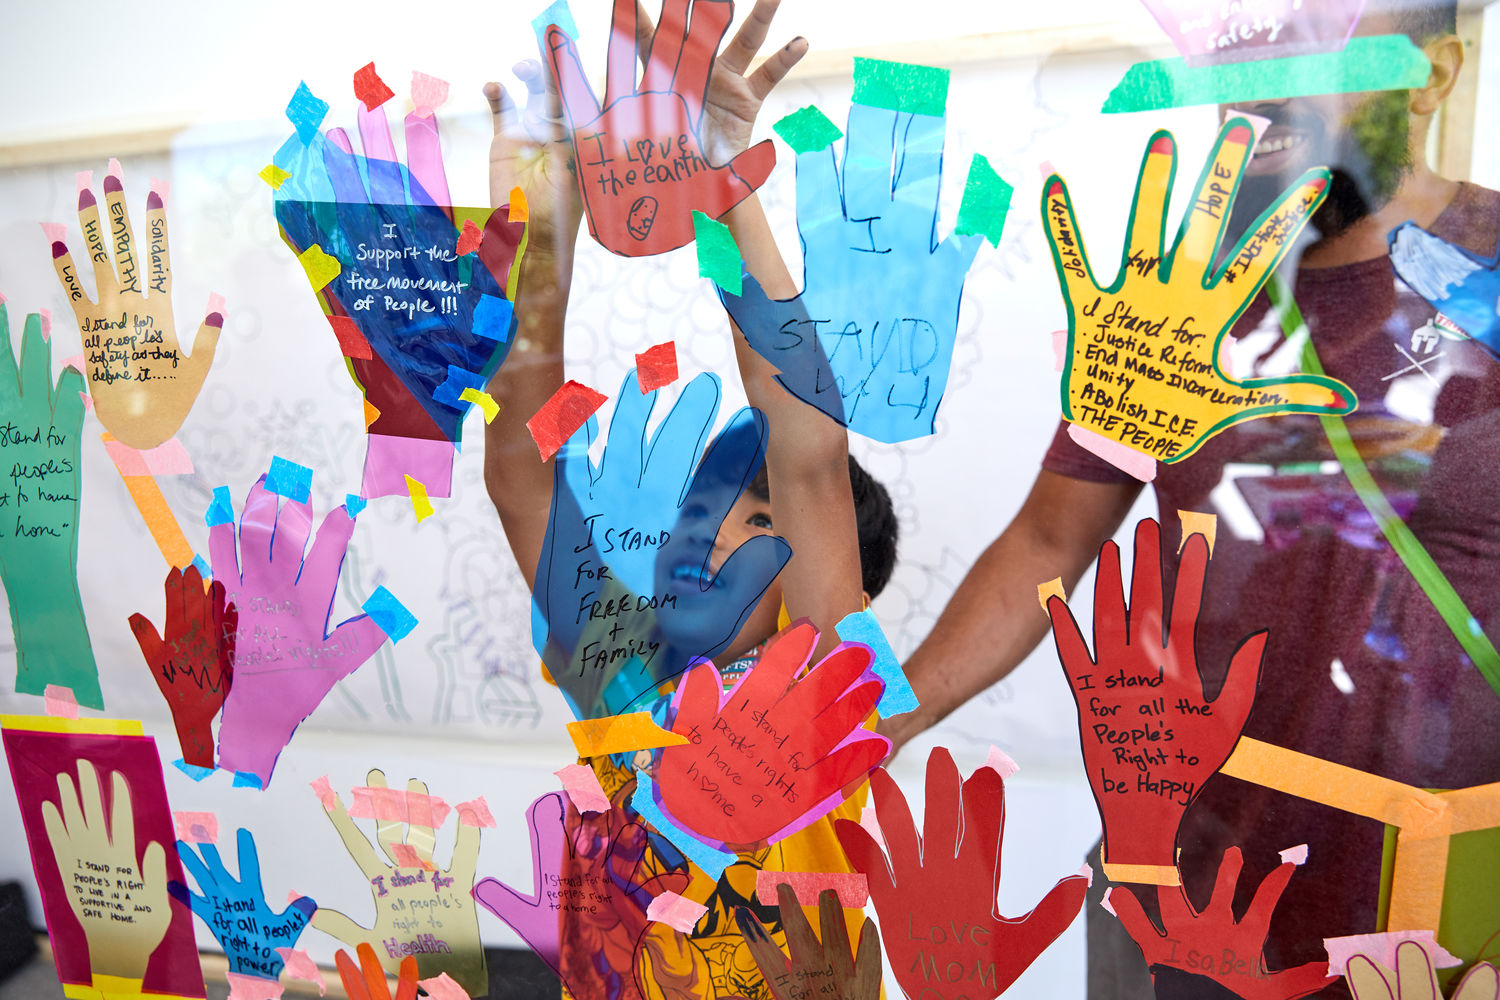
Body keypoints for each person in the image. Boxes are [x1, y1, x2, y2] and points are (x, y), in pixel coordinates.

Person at [879, 2, 1500, 997]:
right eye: (1244, 46)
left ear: (1434, 74)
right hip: (1178, 898)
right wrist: (882, 716)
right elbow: (1048, 538)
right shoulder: (1178, 305)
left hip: (1435, 926)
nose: (1269, 77)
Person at [479, 2, 898, 996]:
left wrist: (723, 183)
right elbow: (519, 471)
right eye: (702, 508)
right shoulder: (623, 665)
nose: (707, 534)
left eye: (754, 520)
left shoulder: (826, 676)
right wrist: (540, 236)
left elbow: (807, 448)